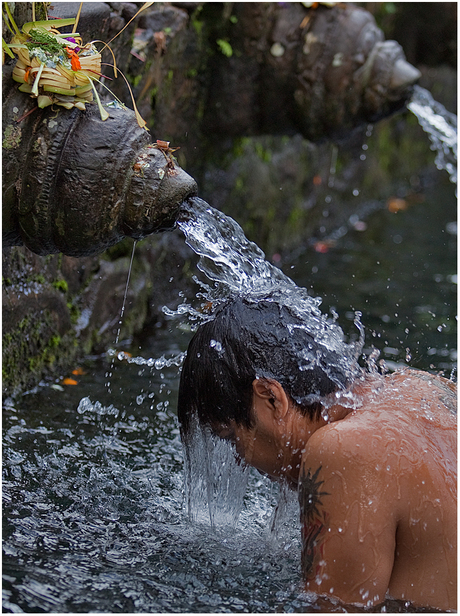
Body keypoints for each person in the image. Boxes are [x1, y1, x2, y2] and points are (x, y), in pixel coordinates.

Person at [177, 296, 457, 611]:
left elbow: (336, 610)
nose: (240, 459)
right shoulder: (418, 387)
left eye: (231, 437)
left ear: (271, 397)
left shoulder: (343, 449)